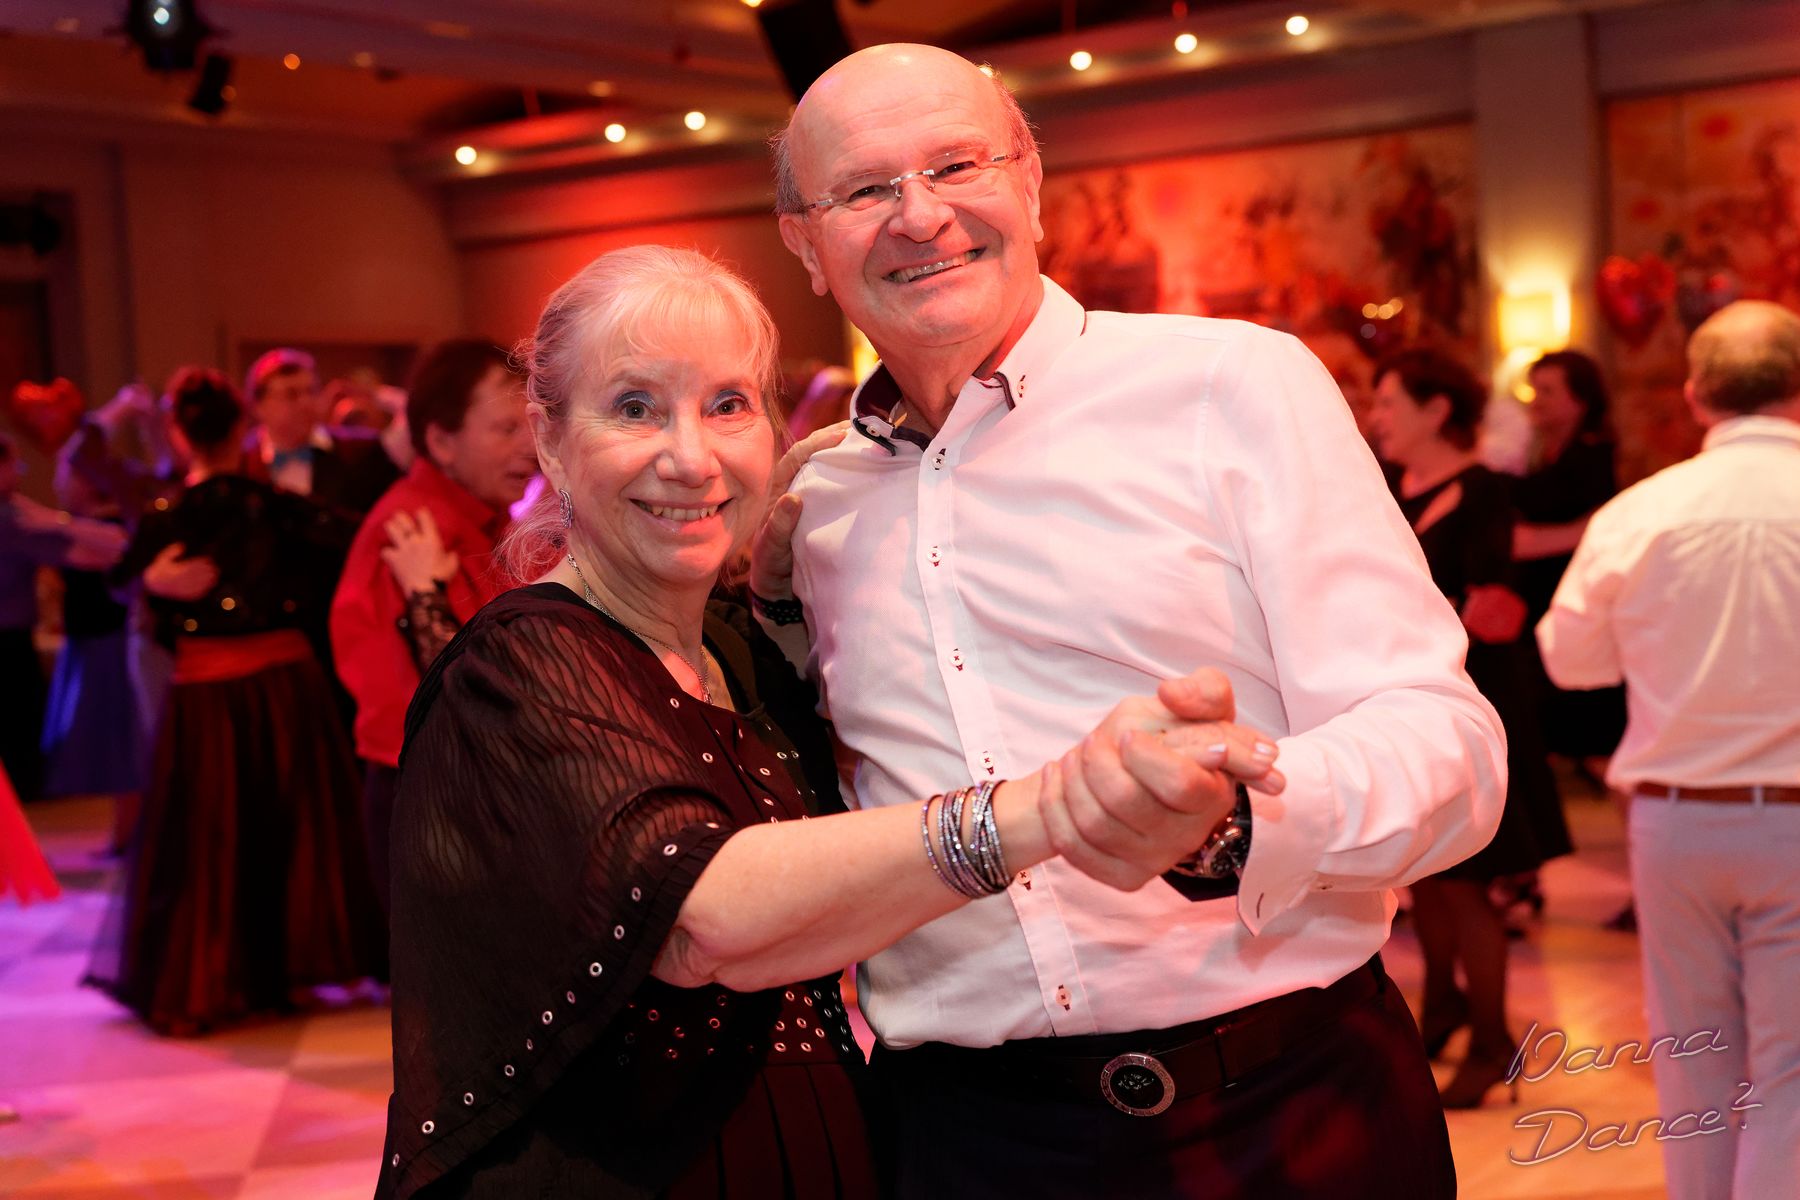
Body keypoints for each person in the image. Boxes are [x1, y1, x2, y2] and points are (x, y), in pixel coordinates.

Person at [375, 244, 1281, 1199]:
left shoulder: (736, 658)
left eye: (728, 404)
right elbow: (703, 921)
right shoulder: (520, 665)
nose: (691, 456)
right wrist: (1048, 808)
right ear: (551, 440)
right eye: (635, 407)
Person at [760, 44, 1507, 1198]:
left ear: (1030, 183)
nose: (920, 215)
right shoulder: (814, 508)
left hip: (1289, 1111)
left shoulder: (1229, 387)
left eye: (956, 165)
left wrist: (1239, 819)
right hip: (966, 1141)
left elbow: (1449, 746)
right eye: (864, 189)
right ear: (806, 245)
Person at [1538, 299, 1800, 1200]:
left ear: (1694, 395)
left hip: (1674, 822)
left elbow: (1570, 661)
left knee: (1691, 1055)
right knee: (1793, 1069)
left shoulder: (1638, 512)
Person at [85, 367, 385, 1034]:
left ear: (179, 433)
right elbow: (358, 537)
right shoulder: (272, 504)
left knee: (211, 837)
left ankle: (217, 975)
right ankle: (285, 970)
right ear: (242, 426)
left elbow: (116, 581)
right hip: (283, 687)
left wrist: (151, 581)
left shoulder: (170, 516)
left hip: (209, 694)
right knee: (286, 827)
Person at [1367, 348, 1573, 1109]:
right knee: (1427, 874)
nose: (1376, 419)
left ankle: (1492, 1041)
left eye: (1389, 404)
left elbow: (1492, 604)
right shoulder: (1387, 484)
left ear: (1437, 410)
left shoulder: (1483, 490)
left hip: (1477, 697)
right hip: (1406, 695)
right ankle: (1444, 1008)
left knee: (1467, 879)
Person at [329, 338, 537, 915]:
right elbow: (438, 695)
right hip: (435, 794)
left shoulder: (490, 522)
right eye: (506, 429)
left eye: (530, 424)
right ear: (442, 441)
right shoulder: (410, 530)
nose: (530, 446)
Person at [0, 432, 127, 802]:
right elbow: (104, 553)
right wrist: (60, 523)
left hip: (32, 637)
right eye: (14, 464)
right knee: (19, 739)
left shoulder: (14, 514)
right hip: (9, 642)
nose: (21, 472)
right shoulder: (11, 518)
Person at [243, 348, 400, 514]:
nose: (306, 403)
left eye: (311, 391)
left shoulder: (361, 450)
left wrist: (375, 393)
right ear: (258, 406)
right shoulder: (243, 460)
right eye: (291, 394)